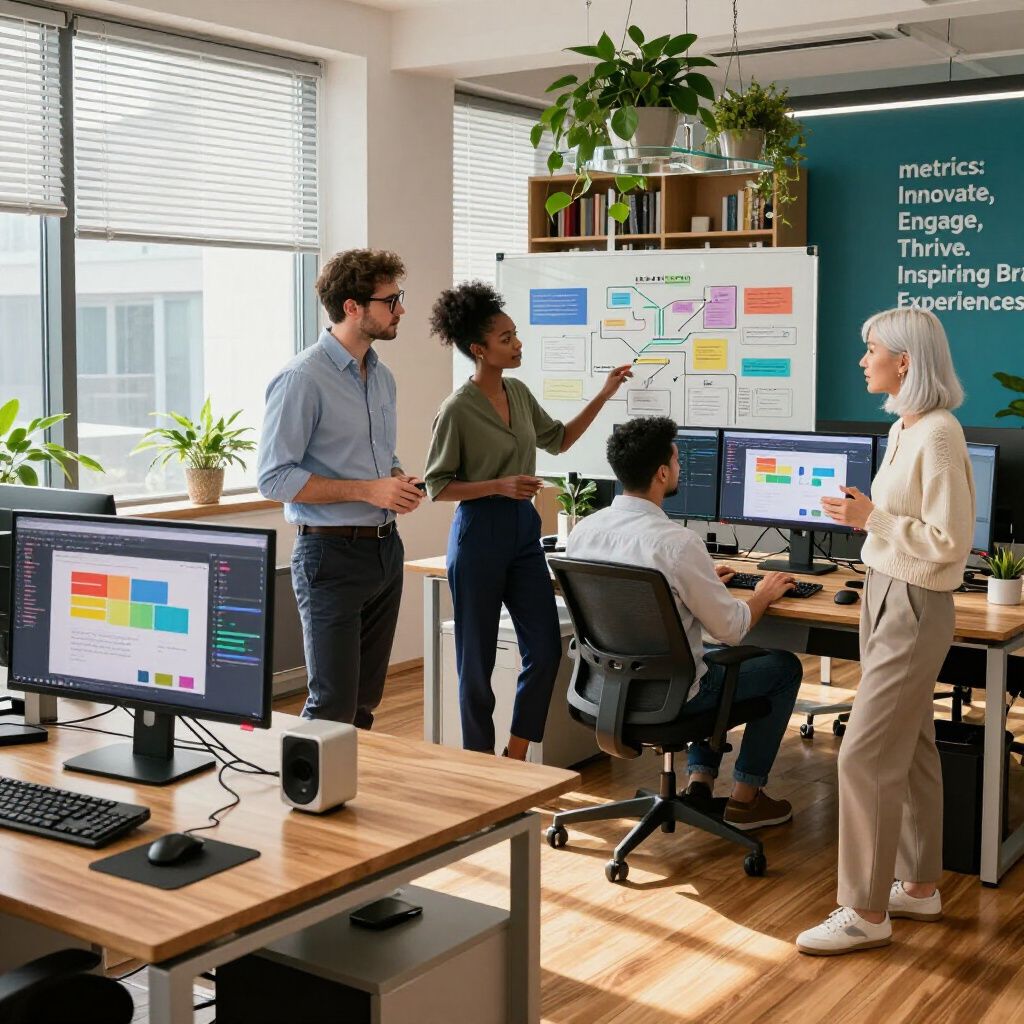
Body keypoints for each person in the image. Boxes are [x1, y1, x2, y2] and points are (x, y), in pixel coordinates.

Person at [797, 307, 974, 956]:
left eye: (869, 350)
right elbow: (902, 525)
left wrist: (874, 517)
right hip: (883, 593)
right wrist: (868, 520)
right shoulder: (904, 428)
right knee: (912, 742)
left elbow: (948, 542)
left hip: (915, 601)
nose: (861, 360)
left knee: (864, 752)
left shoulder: (940, 435)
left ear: (904, 360)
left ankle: (864, 910)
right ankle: (920, 886)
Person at [423, 281, 631, 759]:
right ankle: (480, 761)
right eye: (506, 339)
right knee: (474, 662)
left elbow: (558, 440)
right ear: (478, 349)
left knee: (547, 648)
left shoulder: (517, 392)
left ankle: (516, 751)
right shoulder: (456, 410)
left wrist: (603, 394)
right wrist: (498, 485)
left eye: (515, 335)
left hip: (522, 531)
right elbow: (437, 485)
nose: (517, 345)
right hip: (478, 533)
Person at [567, 416, 803, 830]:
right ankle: (747, 800)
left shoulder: (584, 531)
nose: (679, 468)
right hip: (672, 698)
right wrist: (762, 594)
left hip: (604, 689)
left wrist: (703, 580)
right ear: (662, 473)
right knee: (783, 667)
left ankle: (700, 780)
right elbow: (731, 628)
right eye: (676, 461)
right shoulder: (677, 544)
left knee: (704, 656)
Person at [257, 249, 423, 726]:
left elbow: (379, 458)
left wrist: (395, 480)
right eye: (391, 300)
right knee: (331, 704)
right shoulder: (301, 378)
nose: (401, 310)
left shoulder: (382, 377)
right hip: (329, 557)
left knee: (363, 703)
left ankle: (349, 797)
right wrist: (369, 491)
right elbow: (274, 477)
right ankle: (299, 799)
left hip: (385, 552)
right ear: (353, 307)